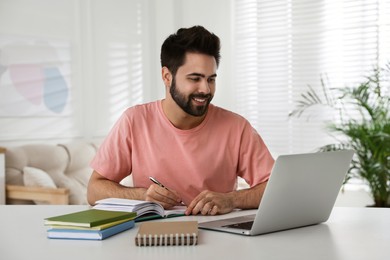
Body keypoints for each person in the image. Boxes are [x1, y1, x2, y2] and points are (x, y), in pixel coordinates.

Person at [87, 25, 274, 216]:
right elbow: (94, 190)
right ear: (167, 77)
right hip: (152, 236)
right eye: (195, 79)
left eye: (211, 79)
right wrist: (142, 196)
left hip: (219, 234)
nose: (206, 89)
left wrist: (231, 199)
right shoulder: (134, 121)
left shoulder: (236, 127)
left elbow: (274, 188)